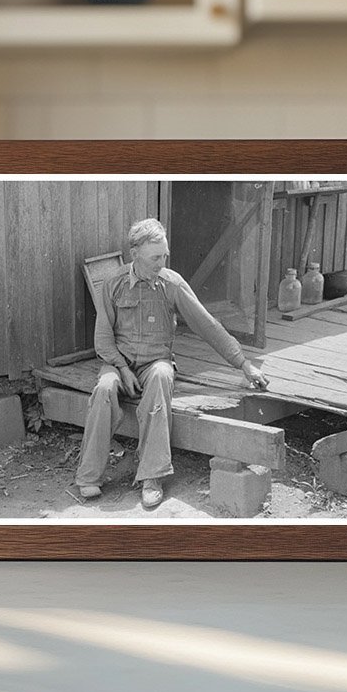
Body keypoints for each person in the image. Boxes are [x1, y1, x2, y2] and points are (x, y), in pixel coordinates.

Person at [74, 218, 269, 509]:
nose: (162, 261)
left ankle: (152, 478)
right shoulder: (113, 284)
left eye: (164, 255)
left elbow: (208, 326)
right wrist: (123, 369)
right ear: (135, 254)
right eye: (155, 257)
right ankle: (89, 475)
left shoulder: (171, 284)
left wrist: (243, 364)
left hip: (156, 363)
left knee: (162, 377)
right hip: (118, 364)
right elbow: (102, 340)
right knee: (103, 389)